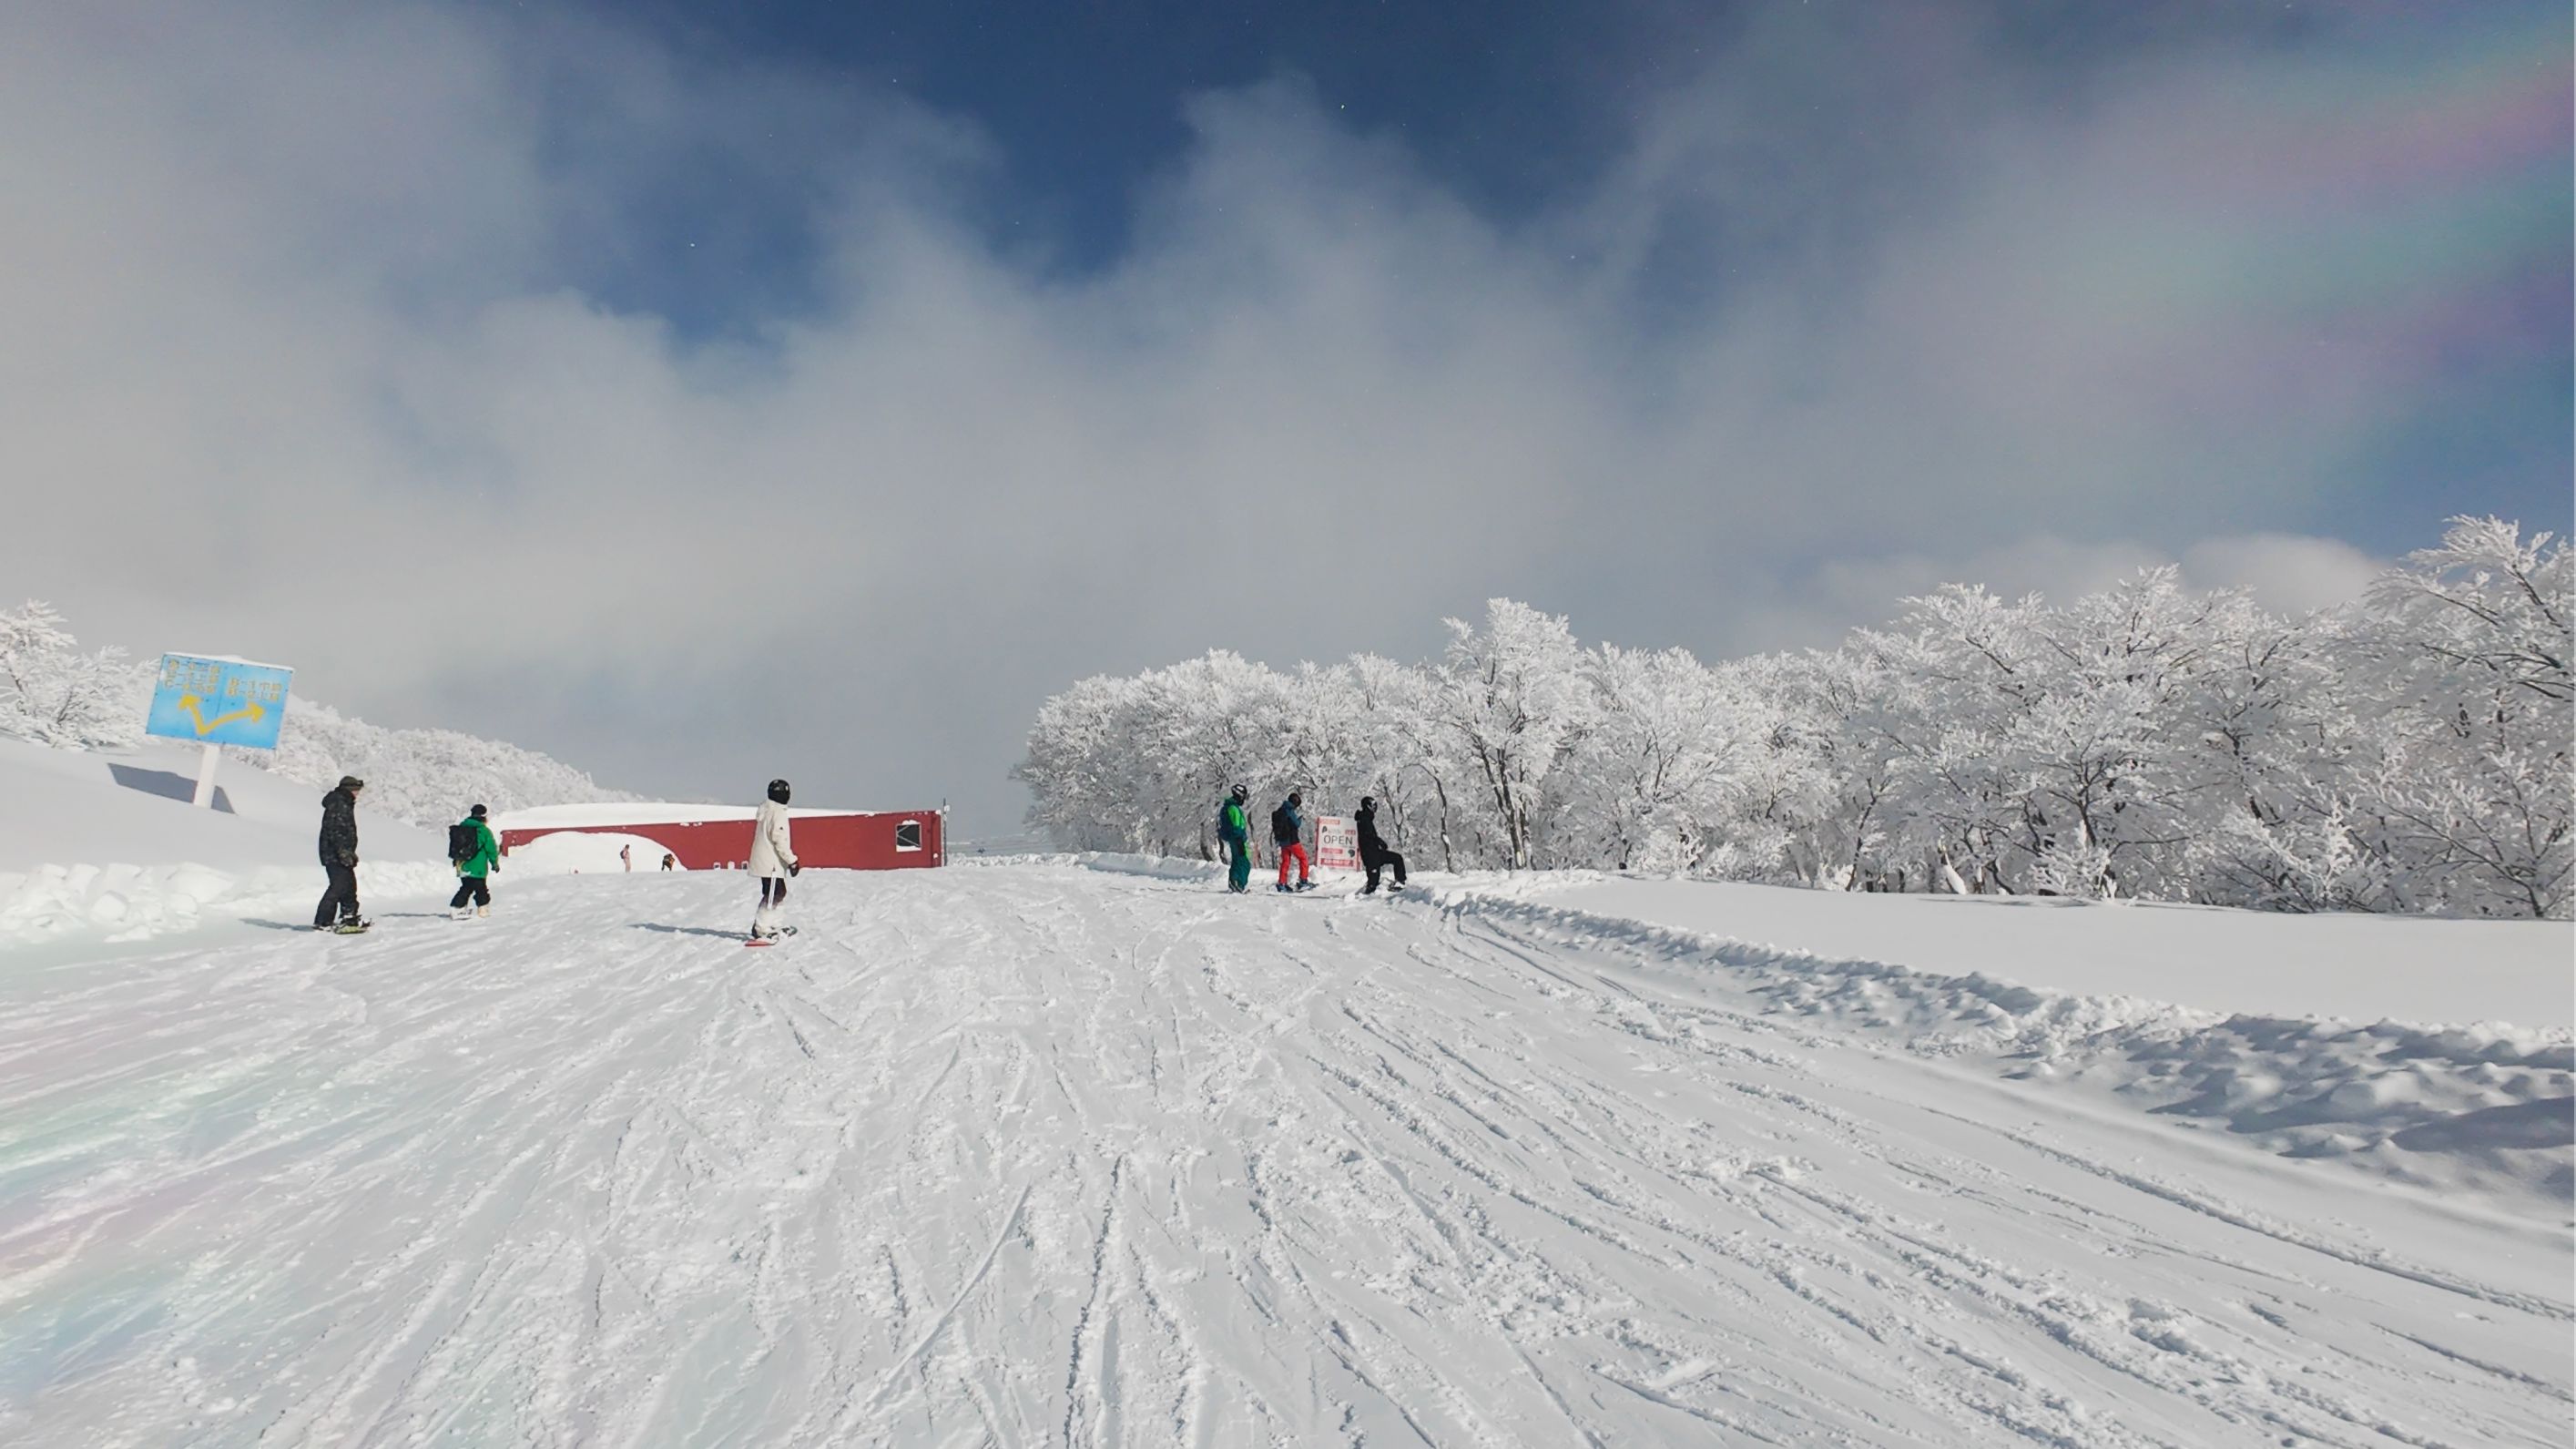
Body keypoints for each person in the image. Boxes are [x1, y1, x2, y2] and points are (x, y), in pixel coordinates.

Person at [312, 775, 368, 932]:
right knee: (338, 885)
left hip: (340, 851)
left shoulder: (343, 802)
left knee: (349, 884)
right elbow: (336, 830)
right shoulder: (339, 803)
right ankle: (323, 921)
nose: (358, 793)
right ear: (350, 789)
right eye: (357, 790)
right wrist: (343, 851)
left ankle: (349, 916)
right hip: (335, 853)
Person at [748, 777, 800, 938]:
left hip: (769, 861)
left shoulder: (768, 810)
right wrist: (792, 860)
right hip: (771, 863)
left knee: (779, 892)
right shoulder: (777, 813)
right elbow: (779, 839)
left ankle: (773, 925)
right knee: (773, 895)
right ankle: (761, 929)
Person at [449, 804, 499, 919]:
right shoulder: (483, 830)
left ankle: (457, 909)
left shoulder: (461, 828)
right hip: (478, 865)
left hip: (462, 864)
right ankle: (483, 910)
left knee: (466, 887)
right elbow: (491, 849)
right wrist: (494, 863)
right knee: (481, 888)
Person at [1357, 794, 1408, 894]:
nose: (1375, 808)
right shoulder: (1364, 819)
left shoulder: (1365, 818)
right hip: (1371, 854)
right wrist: (1379, 842)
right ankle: (1369, 896)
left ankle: (1399, 881)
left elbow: (1369, 835)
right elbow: (1368, 835)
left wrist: (1379, 843)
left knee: (1397, 858)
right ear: (1368, 806)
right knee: (1373, 884)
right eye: (1373, 805)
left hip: (1374, 852)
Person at [1272, 791, 1314, 893]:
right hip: (1292, 840)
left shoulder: (1281, 810)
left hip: (1283, 841)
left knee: (1285, 862)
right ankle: (1303, 881)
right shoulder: (1289, 810)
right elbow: (1296, 824)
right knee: (1303, 858)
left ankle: (1282, 883)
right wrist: (1299, 819)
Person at [1217, 784, 1252, 893]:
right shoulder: (1233, 809)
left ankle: (1234, 883)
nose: (1244, 800)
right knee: (1243, 862)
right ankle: (1238, 884)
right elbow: (1237, 825)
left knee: (1237, 861)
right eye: (1243, 797)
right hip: (1237, 838)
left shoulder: (1231, 807)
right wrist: (1240, 838)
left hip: (1234, 838)